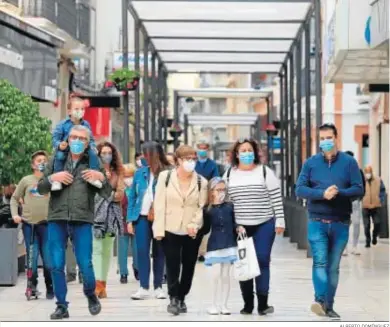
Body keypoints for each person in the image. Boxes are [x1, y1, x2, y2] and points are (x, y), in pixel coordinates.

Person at [37, 125, 112, 320]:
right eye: (73, 137)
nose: (76, 141)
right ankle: (62, 305)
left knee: (85, 263)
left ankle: (90, 294)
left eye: (81, 138)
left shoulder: (93, 163)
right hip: (57, 218)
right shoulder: (56, 160)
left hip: (82, 219)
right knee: (56, 264)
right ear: (67, 139)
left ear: (87, 143)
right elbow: (42, 187)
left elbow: (107, 192)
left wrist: (101, 177)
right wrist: (53, 177)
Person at [295, 123, 364, 320]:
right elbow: (299, 189)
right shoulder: (310, 163)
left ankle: (328, 305)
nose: (326, 142)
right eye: (322, 138)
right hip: (317, 220)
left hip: (340, 222)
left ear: (336, 138)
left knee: (333, 266)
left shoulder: (349, 163)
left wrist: (339, 193)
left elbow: (359, 189)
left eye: (329, 138)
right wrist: (321, 194)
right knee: (320, 261)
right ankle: (319, 300)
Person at [223, 138, 285, 316]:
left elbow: (276, 198)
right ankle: (248, 303)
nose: (246, 153)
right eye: (242, 151)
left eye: (249, 150)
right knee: (245, 263)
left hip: (264, 223)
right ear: (236, 154)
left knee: (262, 259)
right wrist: (233, 225)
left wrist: (280, 221)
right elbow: (227, 203)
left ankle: (263, 303)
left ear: (255, 152)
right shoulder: (229, 174)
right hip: (241, 227)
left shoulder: (265, 172)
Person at [153, 145, 208, 315]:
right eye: (186, 159)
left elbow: (202, 207)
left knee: (189, 265)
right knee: (172, 265)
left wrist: (195, 224)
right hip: (170, 228)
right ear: (178, 160)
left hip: (191, 231)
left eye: (193, 159)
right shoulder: (165, 177)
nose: (190, 162)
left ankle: (182, 296)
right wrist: (158, 230)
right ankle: (173, 298)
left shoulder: (201, 182)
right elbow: (159, 203)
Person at [127, 141, 169, 300]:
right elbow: (132, 197)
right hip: (141, 217)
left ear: (155, 154)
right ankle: (143, 287)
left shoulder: (167, 172)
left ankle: (158, 286)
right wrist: (130, 219)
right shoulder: (139, 173)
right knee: (142, 251)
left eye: (146, 154)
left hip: (160, 218)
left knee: (159, 252)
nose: (143, 158)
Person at [10, 151, 53, 299]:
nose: (42, 162)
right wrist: (15, 214)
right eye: (39, 160)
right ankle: (32, 286)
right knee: (32, 258)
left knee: (48, 258)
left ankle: (50, 286)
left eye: (44, 160)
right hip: (29, 225)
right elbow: (15, 198)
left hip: (47, 225)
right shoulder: (26, 180)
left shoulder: (51, 180)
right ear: (33, 164)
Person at [93, 141, 125, 298]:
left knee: (107, 251)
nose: (106, 156)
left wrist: (107, 195)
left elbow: (120, 195)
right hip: (95, 215)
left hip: (112, 216)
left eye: (109, 153)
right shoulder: (93, 171)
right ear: (98, 154)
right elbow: (92, 194)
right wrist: (108, 192)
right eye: (103, 153)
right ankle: (97, 284)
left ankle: (102, 284)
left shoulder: (118, 172)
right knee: (97, 249)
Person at [201, 177, 237, 315]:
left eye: (223, 189)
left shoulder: (230, 207)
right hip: (214, 245)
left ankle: (224, 304)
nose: (221, 192)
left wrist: (239, 227)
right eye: (218, 190)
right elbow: (205, 229)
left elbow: (234, 223)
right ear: (212, 192)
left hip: (229, 244)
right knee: (215, 275)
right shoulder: (207, 209)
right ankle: (213, 304)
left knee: (226, 275)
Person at [51, 95, 101, 191]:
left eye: (82, 109)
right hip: (66, 149)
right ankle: (57, 180)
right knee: (59, 156)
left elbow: (90, 139)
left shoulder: (86, 124)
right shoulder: (63, 124)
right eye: (77, 109)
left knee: (93, 154)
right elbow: (55, 138)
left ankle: (93, 176)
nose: (80, 111)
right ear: (69, 111)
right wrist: (59, 145)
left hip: (82, 149)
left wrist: (93, 146)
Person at [195, 140, 220, 262]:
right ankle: (194, 250)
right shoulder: (192, 163)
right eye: (200, 147)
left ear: (208, 150)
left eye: (204, 148)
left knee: (205, 227)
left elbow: (216, 180)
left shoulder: (212, 165)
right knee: (195, 224)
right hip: (193, 200)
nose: (202, 150)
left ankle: (202, 252)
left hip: (207, 200)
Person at [118, 163, 139, 283]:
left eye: (130, 175)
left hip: (135, 221)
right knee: (122, 249)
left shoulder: (137, 187)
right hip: (122, 221)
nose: (128, 178)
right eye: (125, 176)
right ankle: (123, 273)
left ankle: (137, 268)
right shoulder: (119, 188)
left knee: (137, 248)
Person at [344, 151, 365, 256]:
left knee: (356, 223)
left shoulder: (358, 171)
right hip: (344, 201)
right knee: (345, 224)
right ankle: (344, 248)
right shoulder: (341, 171)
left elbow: (363, 185)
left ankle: (355, 246)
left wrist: (360, 196)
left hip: (355, 201)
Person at [362, 165, 386, 248]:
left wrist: (381, 200)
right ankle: (368, 241)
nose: (368, 174)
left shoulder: (378, 180)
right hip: (365, 206)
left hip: (376, 206)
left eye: (369, 172)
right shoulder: (361, 181)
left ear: (371, 172)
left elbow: (382, 191)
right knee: (366, 225)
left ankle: (374, 236)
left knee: (377, 223)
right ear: (365, 173)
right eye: (366, 172)